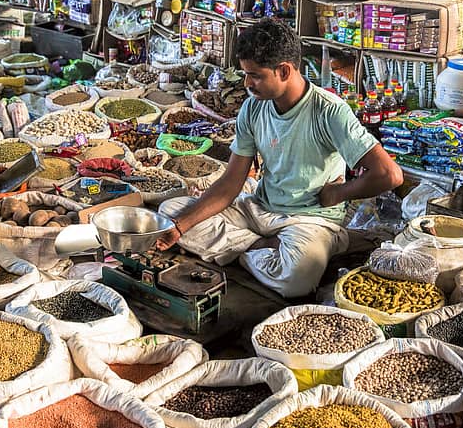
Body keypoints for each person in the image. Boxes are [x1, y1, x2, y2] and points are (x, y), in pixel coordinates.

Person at [156, 18, 404, 298]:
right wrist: (179, 227)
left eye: (255, 75)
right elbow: (230, 183)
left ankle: (246, 249)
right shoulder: (253, 108)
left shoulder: (329, 111)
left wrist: (337, 193)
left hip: (309, 220)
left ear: (284, 70)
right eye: (245, 74)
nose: (247, 83)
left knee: (296, 278)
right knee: (169, 212)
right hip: (258, 209)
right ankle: (259, 247)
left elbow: (389, 175)